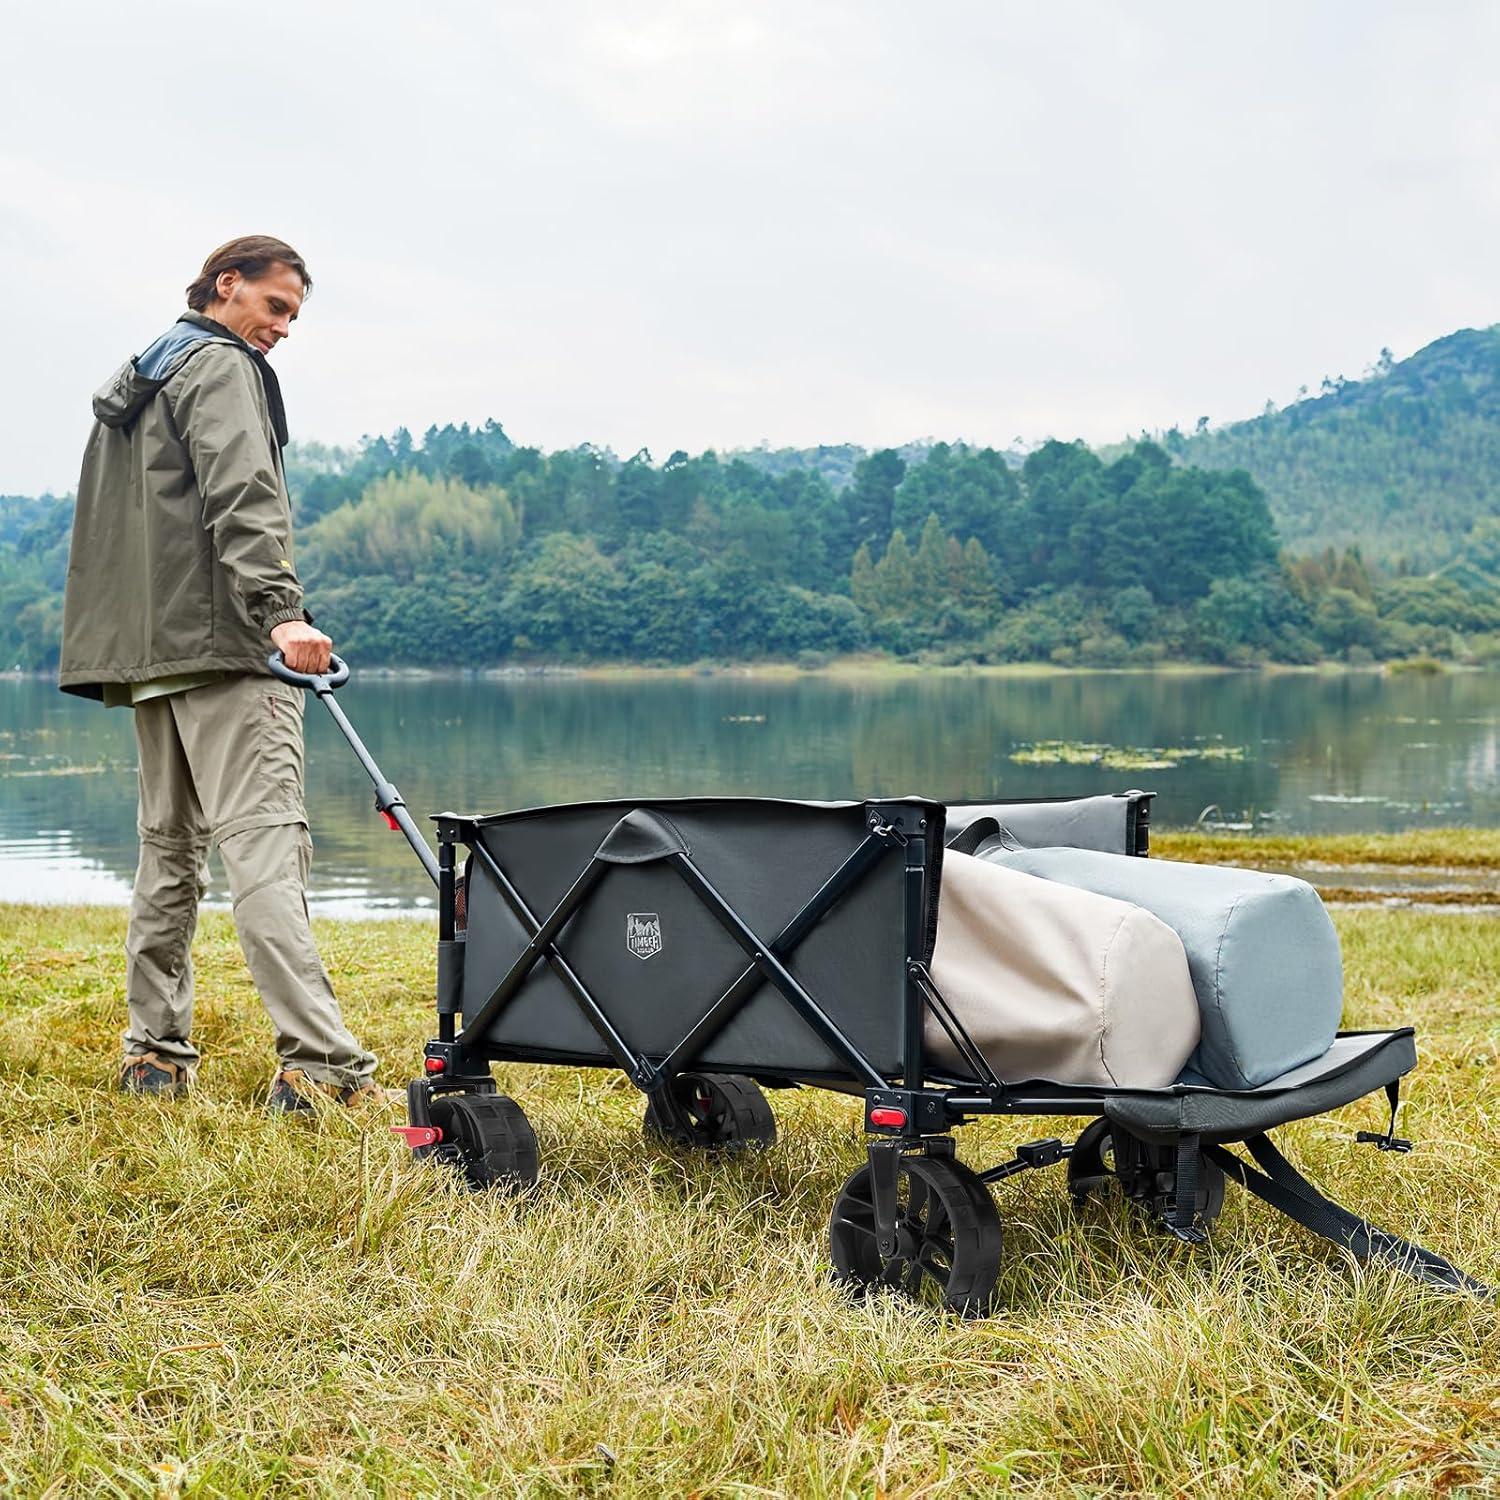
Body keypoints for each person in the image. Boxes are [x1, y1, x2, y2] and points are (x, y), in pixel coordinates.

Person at [58, 235, 381, 1110]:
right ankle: (320, 1066)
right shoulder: (220, 366)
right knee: (266, 847)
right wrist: (281, 611)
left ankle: (153, 1057)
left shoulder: (142, 381)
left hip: (156, 657)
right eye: (275, 306)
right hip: (228, 648)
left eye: (293, 316)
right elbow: (243, 492)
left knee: (168, 856)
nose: (282, 328)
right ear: (226, 285)